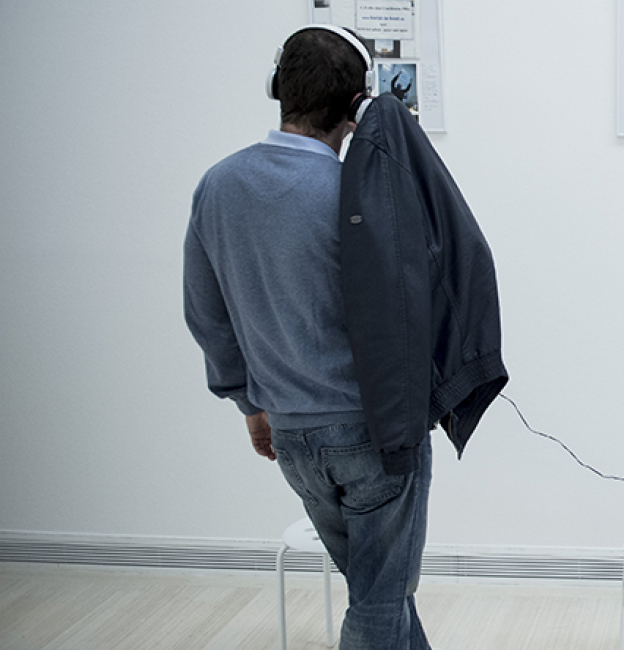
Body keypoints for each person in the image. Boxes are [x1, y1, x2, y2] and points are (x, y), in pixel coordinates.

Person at [185, 25, 508, 649]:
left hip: (291, 438)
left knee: (379, 590)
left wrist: (250, 405)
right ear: (359, 105)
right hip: (374, 436)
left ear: (279, 87)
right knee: (379, 602)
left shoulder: (217, 186)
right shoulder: (360, 197)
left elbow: (207, 314)